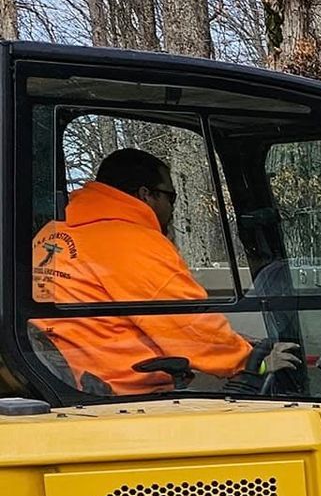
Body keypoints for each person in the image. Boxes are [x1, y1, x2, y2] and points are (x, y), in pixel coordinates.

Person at [30, 148, 301, 395]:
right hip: (119, 390)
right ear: (146, 195)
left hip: (65, 376)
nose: (172, 208)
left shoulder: (53, 233)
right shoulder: (132, 242)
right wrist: (251, 362)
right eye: (171, 197)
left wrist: (239, 342)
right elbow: (185, 324)